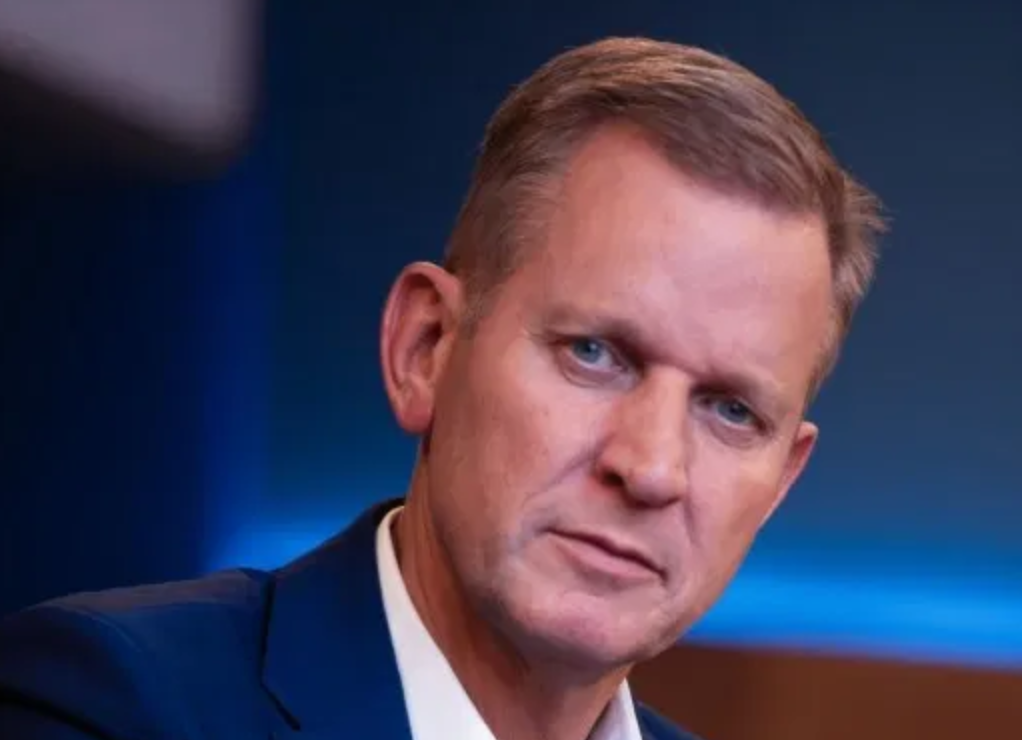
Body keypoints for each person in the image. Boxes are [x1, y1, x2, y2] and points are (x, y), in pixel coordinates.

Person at [0, 36, 883, 740]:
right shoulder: (112, 706)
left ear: (781, 482)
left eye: (731, 410)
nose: (651, 467)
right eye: (594, 353)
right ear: (425, 348)